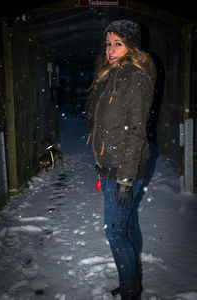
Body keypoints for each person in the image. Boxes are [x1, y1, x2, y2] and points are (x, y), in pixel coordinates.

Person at [84, 19, 156, 300]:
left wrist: (125, 179)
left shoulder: (135, 78)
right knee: (127, 225)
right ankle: (133, 276)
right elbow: (101, 123)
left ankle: (130, 288)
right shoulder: (114, 74)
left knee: (115, 232)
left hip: (123, 167)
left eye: (118, 44)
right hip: (110, 163)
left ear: (132, 47)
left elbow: (135, 131)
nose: (111, 50)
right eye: (108, 44)